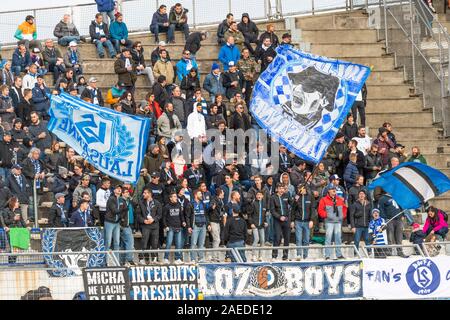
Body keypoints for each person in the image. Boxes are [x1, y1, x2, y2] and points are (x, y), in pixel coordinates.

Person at [318, 185, 347, 260]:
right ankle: (327, 255)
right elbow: (320, 210)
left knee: (338, 239)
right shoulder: (323, 199)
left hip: (338, 222)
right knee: (328, 239)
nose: (334, 190)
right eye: (332, 189)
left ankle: (339, 254)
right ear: (328, 191)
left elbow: (344, 208)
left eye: (334, 189)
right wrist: (327, 215)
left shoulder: (340, 199)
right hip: (329, 222)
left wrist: (342, 216)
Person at [377, 191, 407, 257]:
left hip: (399, 219)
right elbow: (381, 209)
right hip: (389, 220)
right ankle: (389, 251)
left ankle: (400, 252)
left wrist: (403, 214)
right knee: (390, 236)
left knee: (399, 237)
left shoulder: (396, 197)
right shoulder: (382, 198)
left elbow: (401, 206)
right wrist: (385, 218)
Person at [137, 188, 162, 264]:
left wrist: (153, 219)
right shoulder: (141, 203)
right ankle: (141, 259)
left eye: (145, 193)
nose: (143, 194)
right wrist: (144, 220)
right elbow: (138, 215)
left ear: (150, 194)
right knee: (144, 243)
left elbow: (159, 215)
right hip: (145, 225)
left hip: (154, 226)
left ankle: (154, 259)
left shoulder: (157, 203)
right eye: (143, 193)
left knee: (155, 243)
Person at [291, 185, 315, 260]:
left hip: (307, 221)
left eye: (301, 189)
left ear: (304, 189)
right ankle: (299, 254)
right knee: (298, 239)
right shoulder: (297, 197)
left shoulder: (310, 197)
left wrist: (311, 220)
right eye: (299, 189)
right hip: (298, 221)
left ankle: (305, 255)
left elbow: (312, 209)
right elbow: (293, 210)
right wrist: (292, 220)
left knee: (306, 239)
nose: (300, 190)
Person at [105, 184, 127, 259]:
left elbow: (125, 210)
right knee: (108, 242)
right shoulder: (111, 198)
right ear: (114, 190)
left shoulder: (121, 199)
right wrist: (123, 210)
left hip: (117, 223)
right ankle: (106, 261)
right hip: (109, 222)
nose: (119, 189)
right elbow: (114, 210)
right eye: (117, 188)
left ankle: (117, 261)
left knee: (117, 242)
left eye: (120, 188)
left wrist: (121, 217)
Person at [162, 191, 186, 263]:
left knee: (178, 244)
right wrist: (165, 226)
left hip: (178, 227)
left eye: (176, 196)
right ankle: (166, 258)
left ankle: (177, 259)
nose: (176, 198)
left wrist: (183, 222)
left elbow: (181, 215)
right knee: (168, 243)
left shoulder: (179, 205)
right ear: (170, 198)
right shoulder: (167, 207)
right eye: (174, 196)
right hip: (170, 228)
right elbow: (164, 218)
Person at [270, 183, 292, 261]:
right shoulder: (273, 197)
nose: (281, 190)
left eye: (283, 188)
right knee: (277, 238)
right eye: (280, 188)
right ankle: (274, 255)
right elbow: (272, 210)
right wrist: (279, 217)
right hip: (277, 220)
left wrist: (296, 198)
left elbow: (293, 204)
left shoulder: (287, 195)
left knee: (287, 238)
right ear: (277, 189)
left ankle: (285, 255)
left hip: (286, 219)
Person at [188, 189, 209, 262]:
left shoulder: (203, 203)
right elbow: (188, 216)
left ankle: (201, 259)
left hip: (203, 225)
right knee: (193, 243)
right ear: (195, 195)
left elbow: (206, 215)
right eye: (200, 194)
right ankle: (193, 259)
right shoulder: (191, 203)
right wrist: (189, 226)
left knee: (201, 243)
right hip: (195, 226)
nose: (201, 195)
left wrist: (208, 224)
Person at [248, 190, 267, 261]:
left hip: (261, 225)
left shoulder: (264, 204)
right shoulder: (253, 203)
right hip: (255, 225)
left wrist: (265, 222)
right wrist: (251, 223)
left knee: (262, 240)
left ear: (262, 196)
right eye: (258, 195)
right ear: (256, 196)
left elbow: (264, 215)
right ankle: (253, 255)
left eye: (260, 195)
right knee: (256, 239)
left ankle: (261, 256)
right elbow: (249, 215)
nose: (259, 196)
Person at [208, 188, 225, 262]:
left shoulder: (221, 200)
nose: (224, 194)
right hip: (213, 221)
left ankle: (216, 256)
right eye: (223, 192)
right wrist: (212, 207)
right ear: (220, 193)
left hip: (218, 221)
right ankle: (214, 257)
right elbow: (210, 207)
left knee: (217, 239)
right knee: (217, 239)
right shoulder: (214, 199)